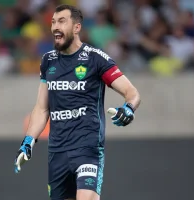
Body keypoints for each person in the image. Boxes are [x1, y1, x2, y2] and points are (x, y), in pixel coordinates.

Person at [14, 4, 141, 200]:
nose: (55, 27)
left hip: (87, 149)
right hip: (57, 153)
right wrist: (29, 141)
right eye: (53, 22)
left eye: (62, 21)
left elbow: (131, 92)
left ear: (76, 27)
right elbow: (41, 108)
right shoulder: (48, 61)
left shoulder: (96, 59)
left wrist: (129, 108)